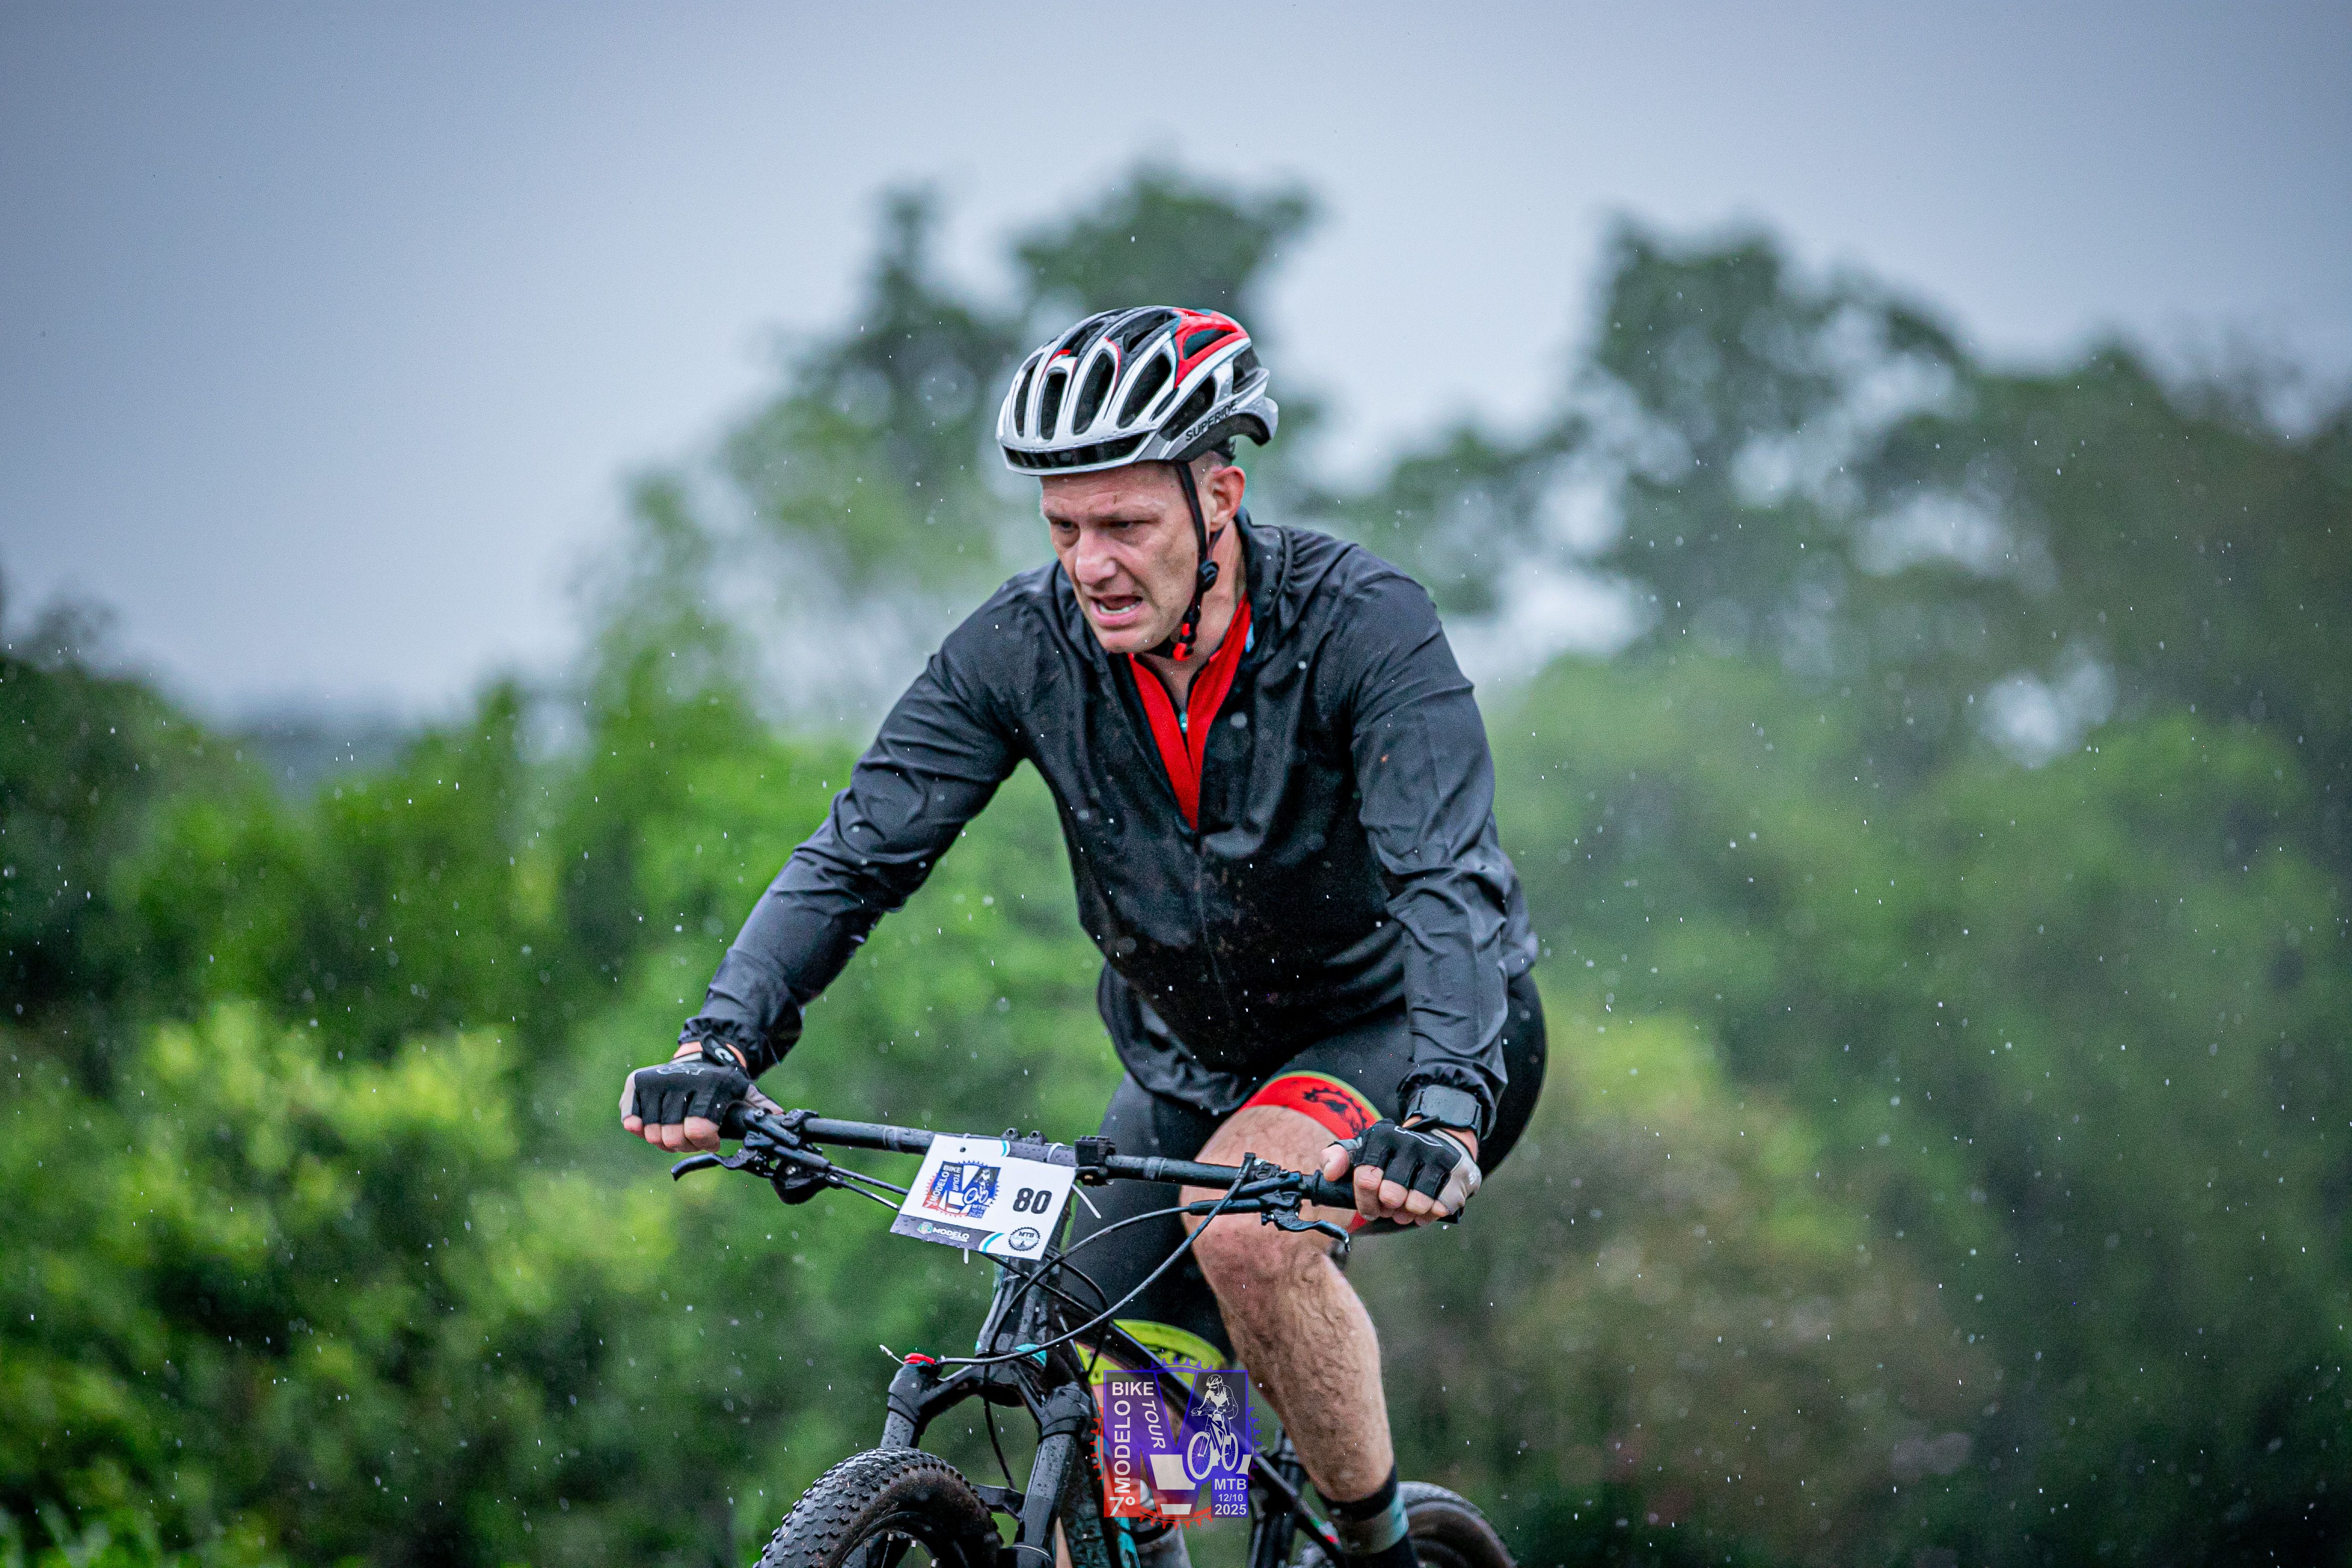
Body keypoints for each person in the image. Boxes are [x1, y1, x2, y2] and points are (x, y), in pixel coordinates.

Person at [620, 307, 1545, 1568]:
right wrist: (723, 1040)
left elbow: (1446, 880)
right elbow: (858, 852)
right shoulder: (1023, 647)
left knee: (1242, 1232)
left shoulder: (1362, 624)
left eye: (1125, 525)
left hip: (1403, 1036)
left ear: (1221, 498)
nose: (1091, 564)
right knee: (1106, 1401)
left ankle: (1379, 1551)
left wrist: (1444, 1109)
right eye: (1064, 529)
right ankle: (1155, 1535)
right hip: (1183, 1064)